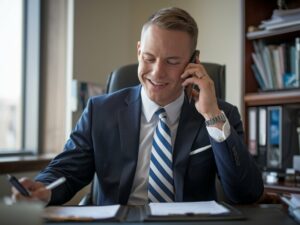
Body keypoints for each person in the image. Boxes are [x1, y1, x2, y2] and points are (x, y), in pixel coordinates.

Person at [12, 7, 263, 205]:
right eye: (149, 58)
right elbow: (66, 170)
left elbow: (246, 193)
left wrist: (211, 115)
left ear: (194, 61)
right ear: (138, 51)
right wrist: (42, 189)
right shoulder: (101, 111)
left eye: (172, 61)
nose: (157, 72)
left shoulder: (221, 114)